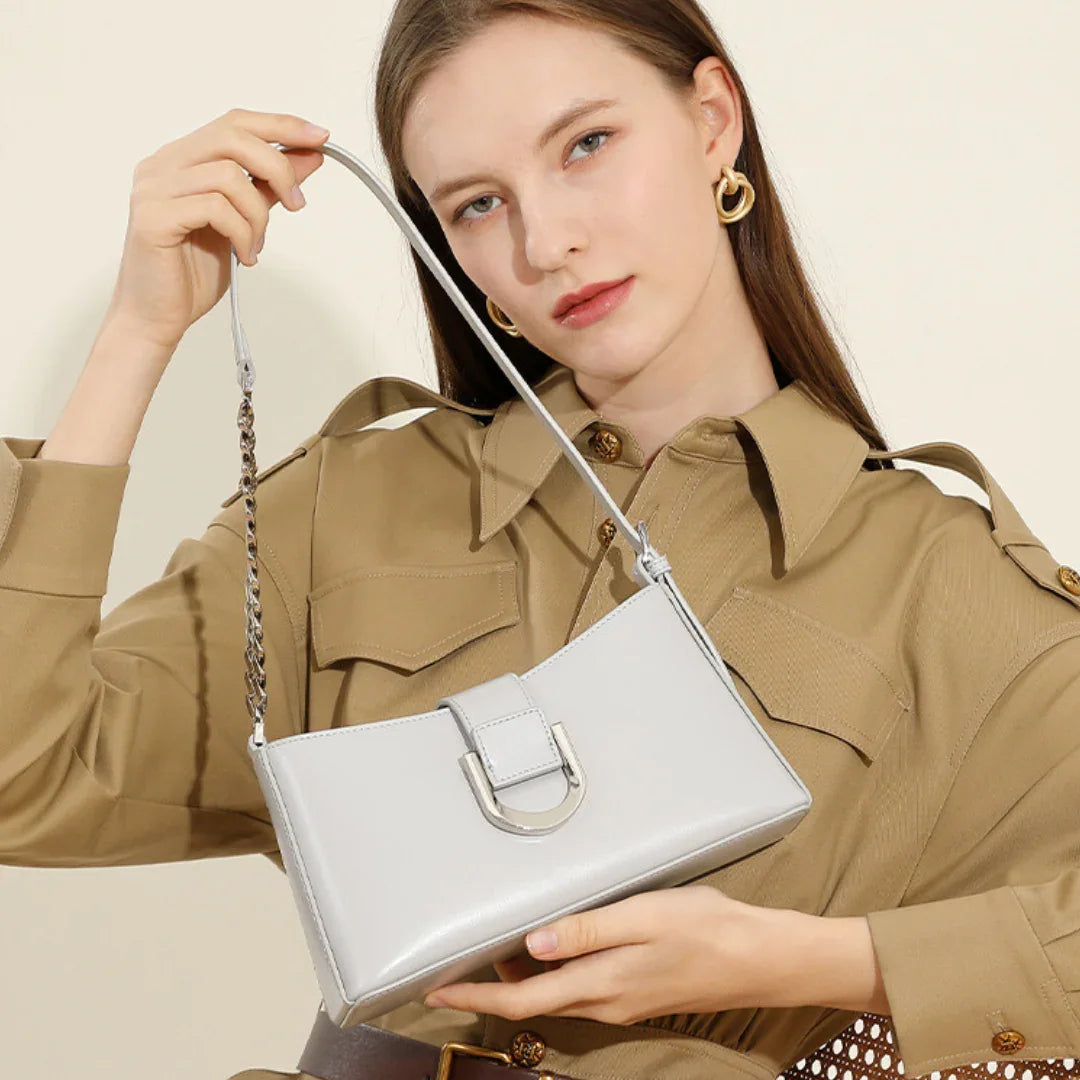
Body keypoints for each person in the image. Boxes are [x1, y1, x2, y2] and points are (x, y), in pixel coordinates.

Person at [2, 2, 1078, 1080]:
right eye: (477, 204)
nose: (545, 241)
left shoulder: (955, 584)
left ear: (712, 123)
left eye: (588, 145)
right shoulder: (351, 504)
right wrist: (137, 333)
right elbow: (25, 773)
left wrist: (804, 962)